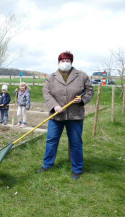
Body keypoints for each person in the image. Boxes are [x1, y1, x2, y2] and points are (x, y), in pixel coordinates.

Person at [38, 51, 94, 180]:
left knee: (75, 143)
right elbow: (46, 93)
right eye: (62, 60)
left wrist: (82, 99)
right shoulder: (51, 77)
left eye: (67, 60)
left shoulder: (82, 76)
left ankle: (77, 169)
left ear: (71, 62)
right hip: (56, 116)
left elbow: (90, 90)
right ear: (58, 62)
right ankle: (48, 164)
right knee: (51, 141)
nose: (65, 63)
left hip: (75, 116)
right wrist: (54, 105)